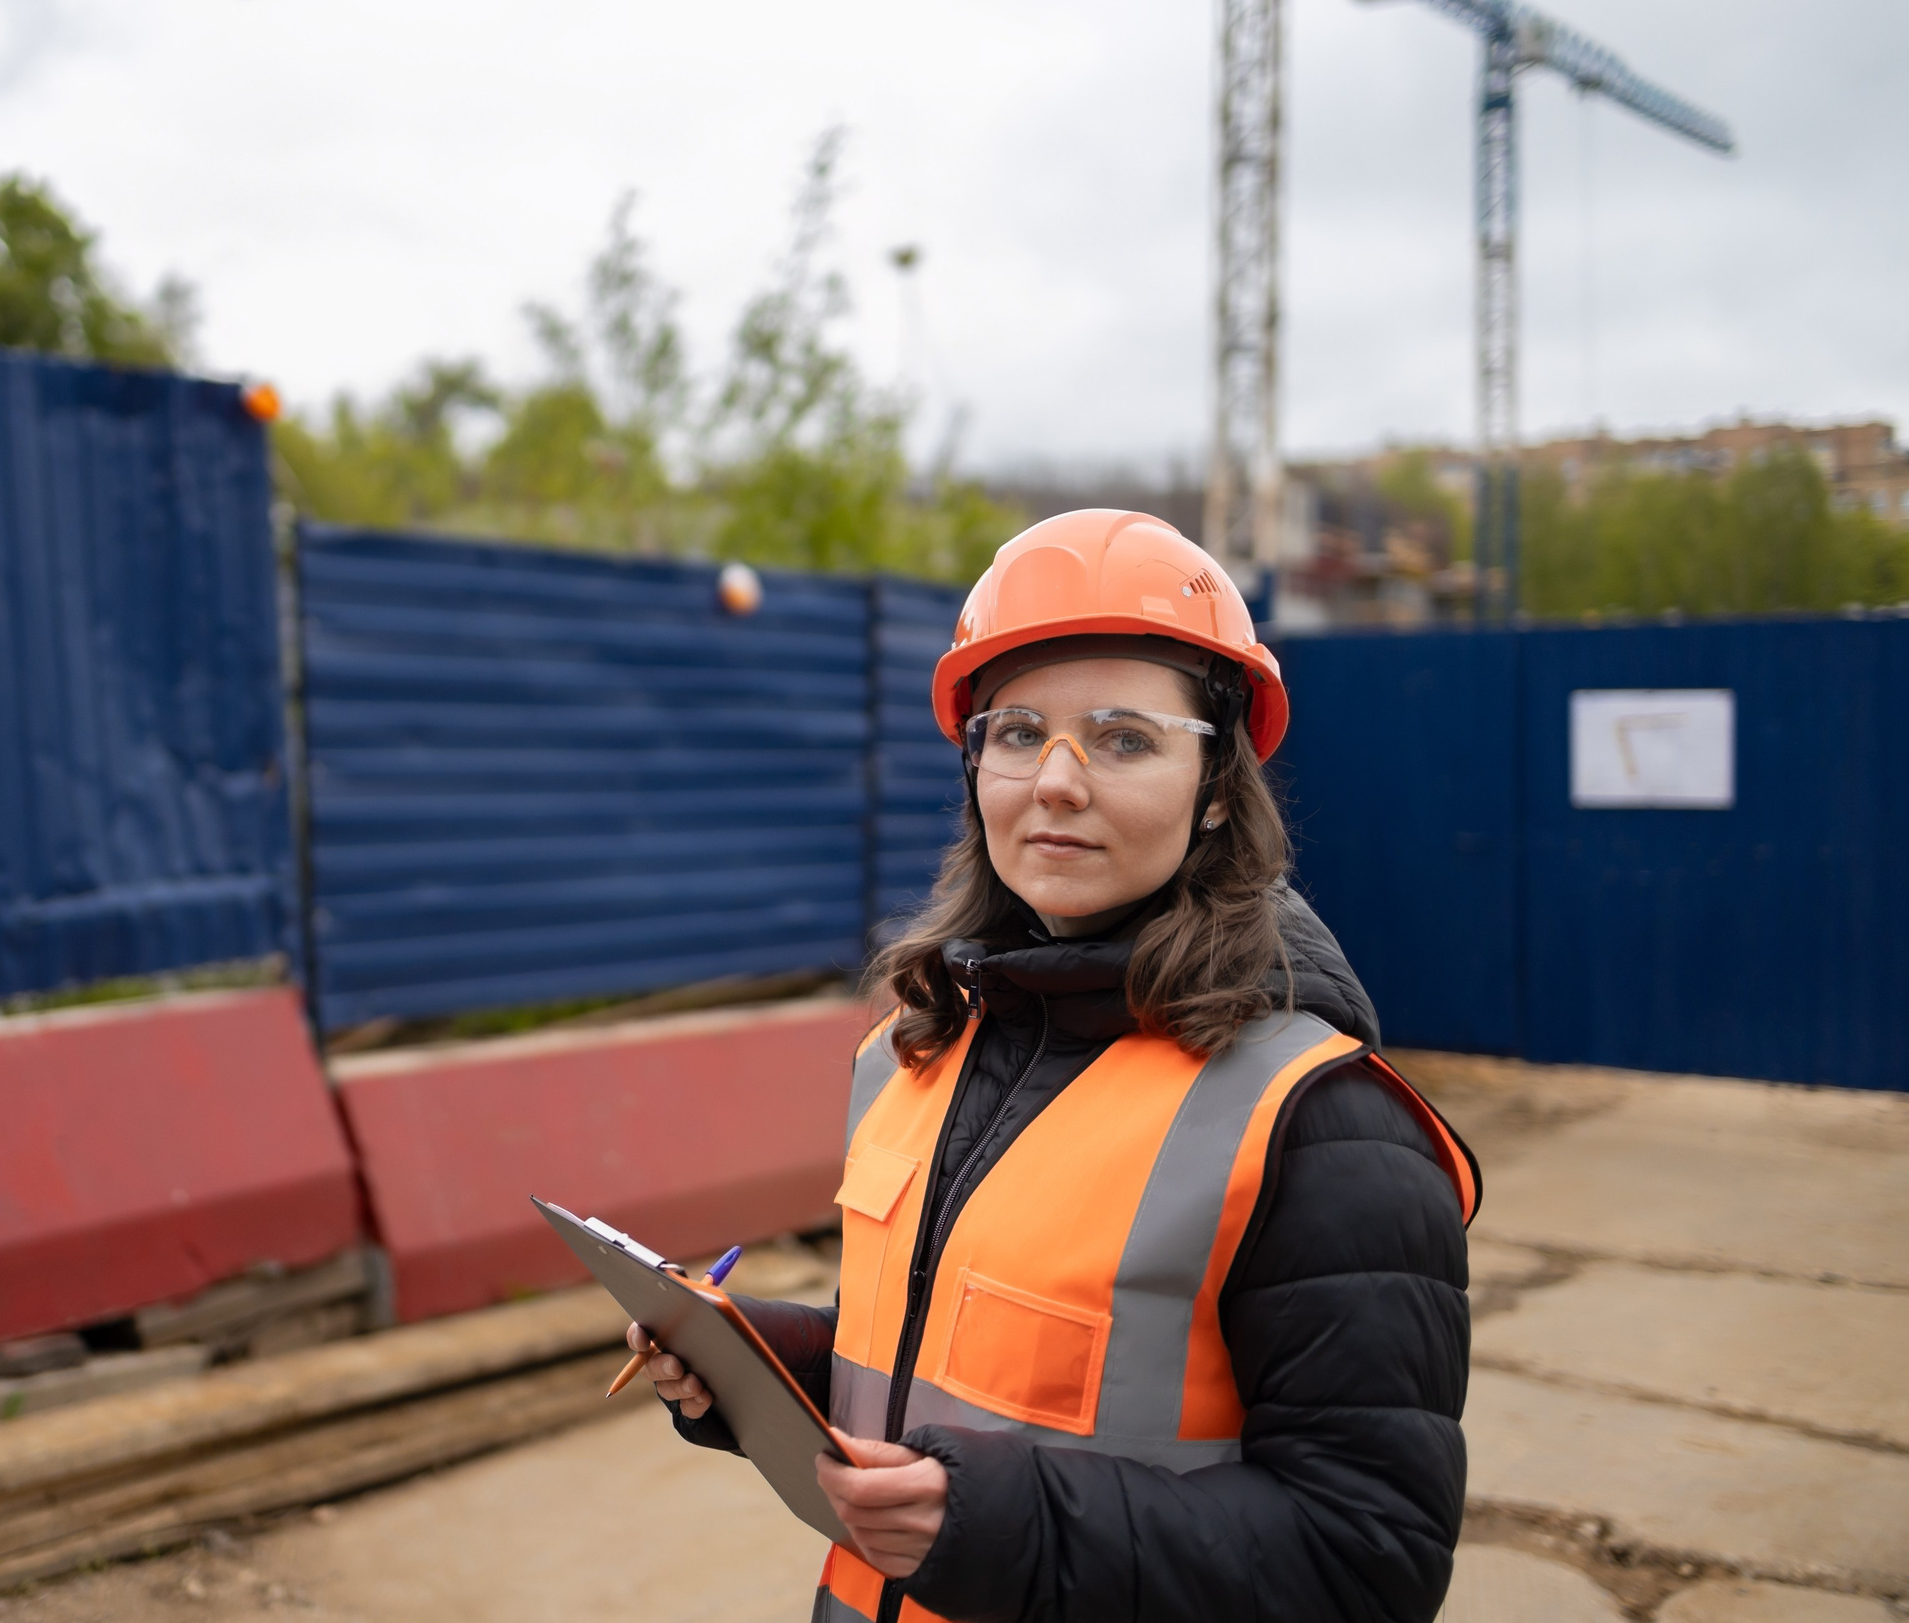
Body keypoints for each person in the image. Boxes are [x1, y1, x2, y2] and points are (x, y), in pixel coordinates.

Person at [626, 510, 1480, 1623]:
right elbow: (932, 1359)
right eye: (1017, 732)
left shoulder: (1320, 1127)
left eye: (1122, 738)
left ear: (1219, 787)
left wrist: (992, 1526)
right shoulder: (913, 1053)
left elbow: (1368, 1557)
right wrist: (751, 1361)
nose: (1054, 782)